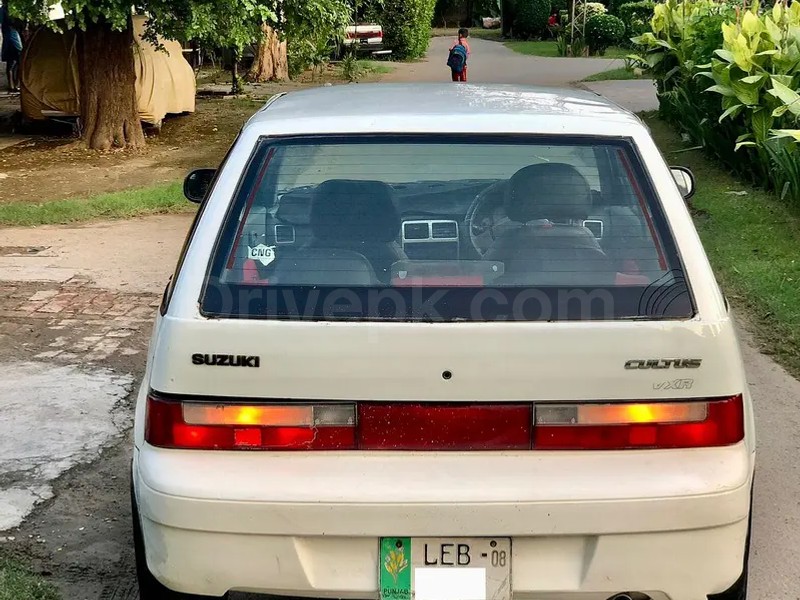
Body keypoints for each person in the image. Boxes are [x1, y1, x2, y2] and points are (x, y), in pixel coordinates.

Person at [1, 1, 23, 92]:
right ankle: (15, 85)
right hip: (12, 35)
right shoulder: (6, 9)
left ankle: (14, 85)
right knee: (17, 60)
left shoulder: (6, 9)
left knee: (13, 62)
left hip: (11, 36)